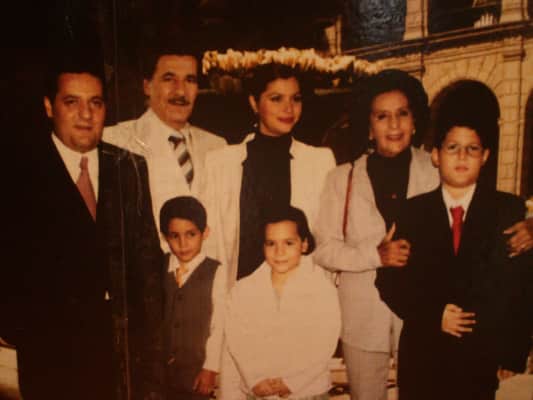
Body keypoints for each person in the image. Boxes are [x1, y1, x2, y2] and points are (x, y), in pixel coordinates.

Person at [313, 68, 533, 400]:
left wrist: (531, 224)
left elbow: (483, 213)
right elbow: (324, 250)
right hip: (363, 317)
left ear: (415, 121)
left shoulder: (437, 166)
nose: (394, 124)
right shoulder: (341, 179)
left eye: (402, 113)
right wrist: (375, 255)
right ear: (368, 126)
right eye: (382, 116)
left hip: (427, 318)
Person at [5, 51, 164, 400]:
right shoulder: (19, 173)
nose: (86, 114)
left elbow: (148, 267)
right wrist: (27, 332)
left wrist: (151, 357)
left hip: (124, 363)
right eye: (72, 102)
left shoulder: (129, 167)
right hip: (52, 362)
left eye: (95, 102)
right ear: (49, 107)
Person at [375, 109, 532, 400]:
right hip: (423, 356)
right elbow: (390, 284)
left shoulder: (507, 210)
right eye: (452, 148)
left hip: (481, 359)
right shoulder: (412, 212)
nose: (462, 156)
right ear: (435, 156)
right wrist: (434, 315)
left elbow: (522, 285)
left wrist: (513, 352)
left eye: (472, 149)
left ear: (485, 156)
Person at [204, 62, 336, 400]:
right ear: (254, 102)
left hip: (298, 312)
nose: (288, 108)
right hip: (242, 316)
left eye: (296, 98)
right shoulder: (220, 163)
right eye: (276, 98)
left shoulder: (320, 161)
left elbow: (324, 243)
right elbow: (214, 254)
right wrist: (212, 348)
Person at [103, 44, 227, 247]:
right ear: (147, 86)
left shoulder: (217, 146)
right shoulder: (115, 140)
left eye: (190, 80)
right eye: (169, 79)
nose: (181, 91)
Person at [225, 206, 341, 400]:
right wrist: (254, 379)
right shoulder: (243, 290)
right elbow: (237, 340)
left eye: (288, 243)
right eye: (271, 243)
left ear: (304, 244)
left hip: (308, 391)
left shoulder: (321, 289)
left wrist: (292, 382)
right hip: (260, 391)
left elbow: (324, 344)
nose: (279, 252)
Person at [159, 196, 226, 399]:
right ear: (164, 237)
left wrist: (210, 368)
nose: (183, 244)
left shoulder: (216, 271)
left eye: (191, 234)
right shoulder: (159, 268)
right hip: (160, 376)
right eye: (174, 236)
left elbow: (219, 325)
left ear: (205, 233)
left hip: (196, 375)